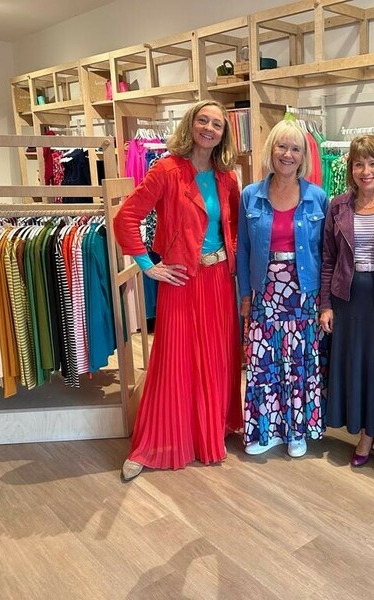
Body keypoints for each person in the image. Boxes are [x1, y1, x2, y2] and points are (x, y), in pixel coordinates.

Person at [114, 99, 243, 482]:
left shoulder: (227, 178)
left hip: (219, 281)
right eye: (203, 120)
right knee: (174, 360)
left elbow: (235, 227)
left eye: (217, 124)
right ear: (191, 124)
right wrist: (148, 265)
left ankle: (210, 432)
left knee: (217, 359)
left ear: (223, 134)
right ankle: (156, 441)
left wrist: (236, 261)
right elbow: (126, 217)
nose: (209, 128)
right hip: (181, 279)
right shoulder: (166, 169)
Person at [237, 120, 329, 459]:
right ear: (271, 150)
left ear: (303, 156)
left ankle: (296, 431)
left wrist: (325, 301)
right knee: (263, 362)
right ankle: (266, 430)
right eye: (282, 147)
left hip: (304, 290)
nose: (288, 154)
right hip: (264, 289)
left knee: (299, 362)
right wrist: (245, 295)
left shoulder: (317, 197)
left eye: (295, 149)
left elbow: (327, 254)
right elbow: (243, 249)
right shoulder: (251, 195)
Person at [320, 136, 374, 470]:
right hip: (348, 298)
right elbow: (328, 259)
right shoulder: (338, 205)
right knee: (356, 367)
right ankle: (366, 433)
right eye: (358, 164)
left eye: (372, 163)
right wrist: (326, 305)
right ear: (350, 168)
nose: (366, 171)